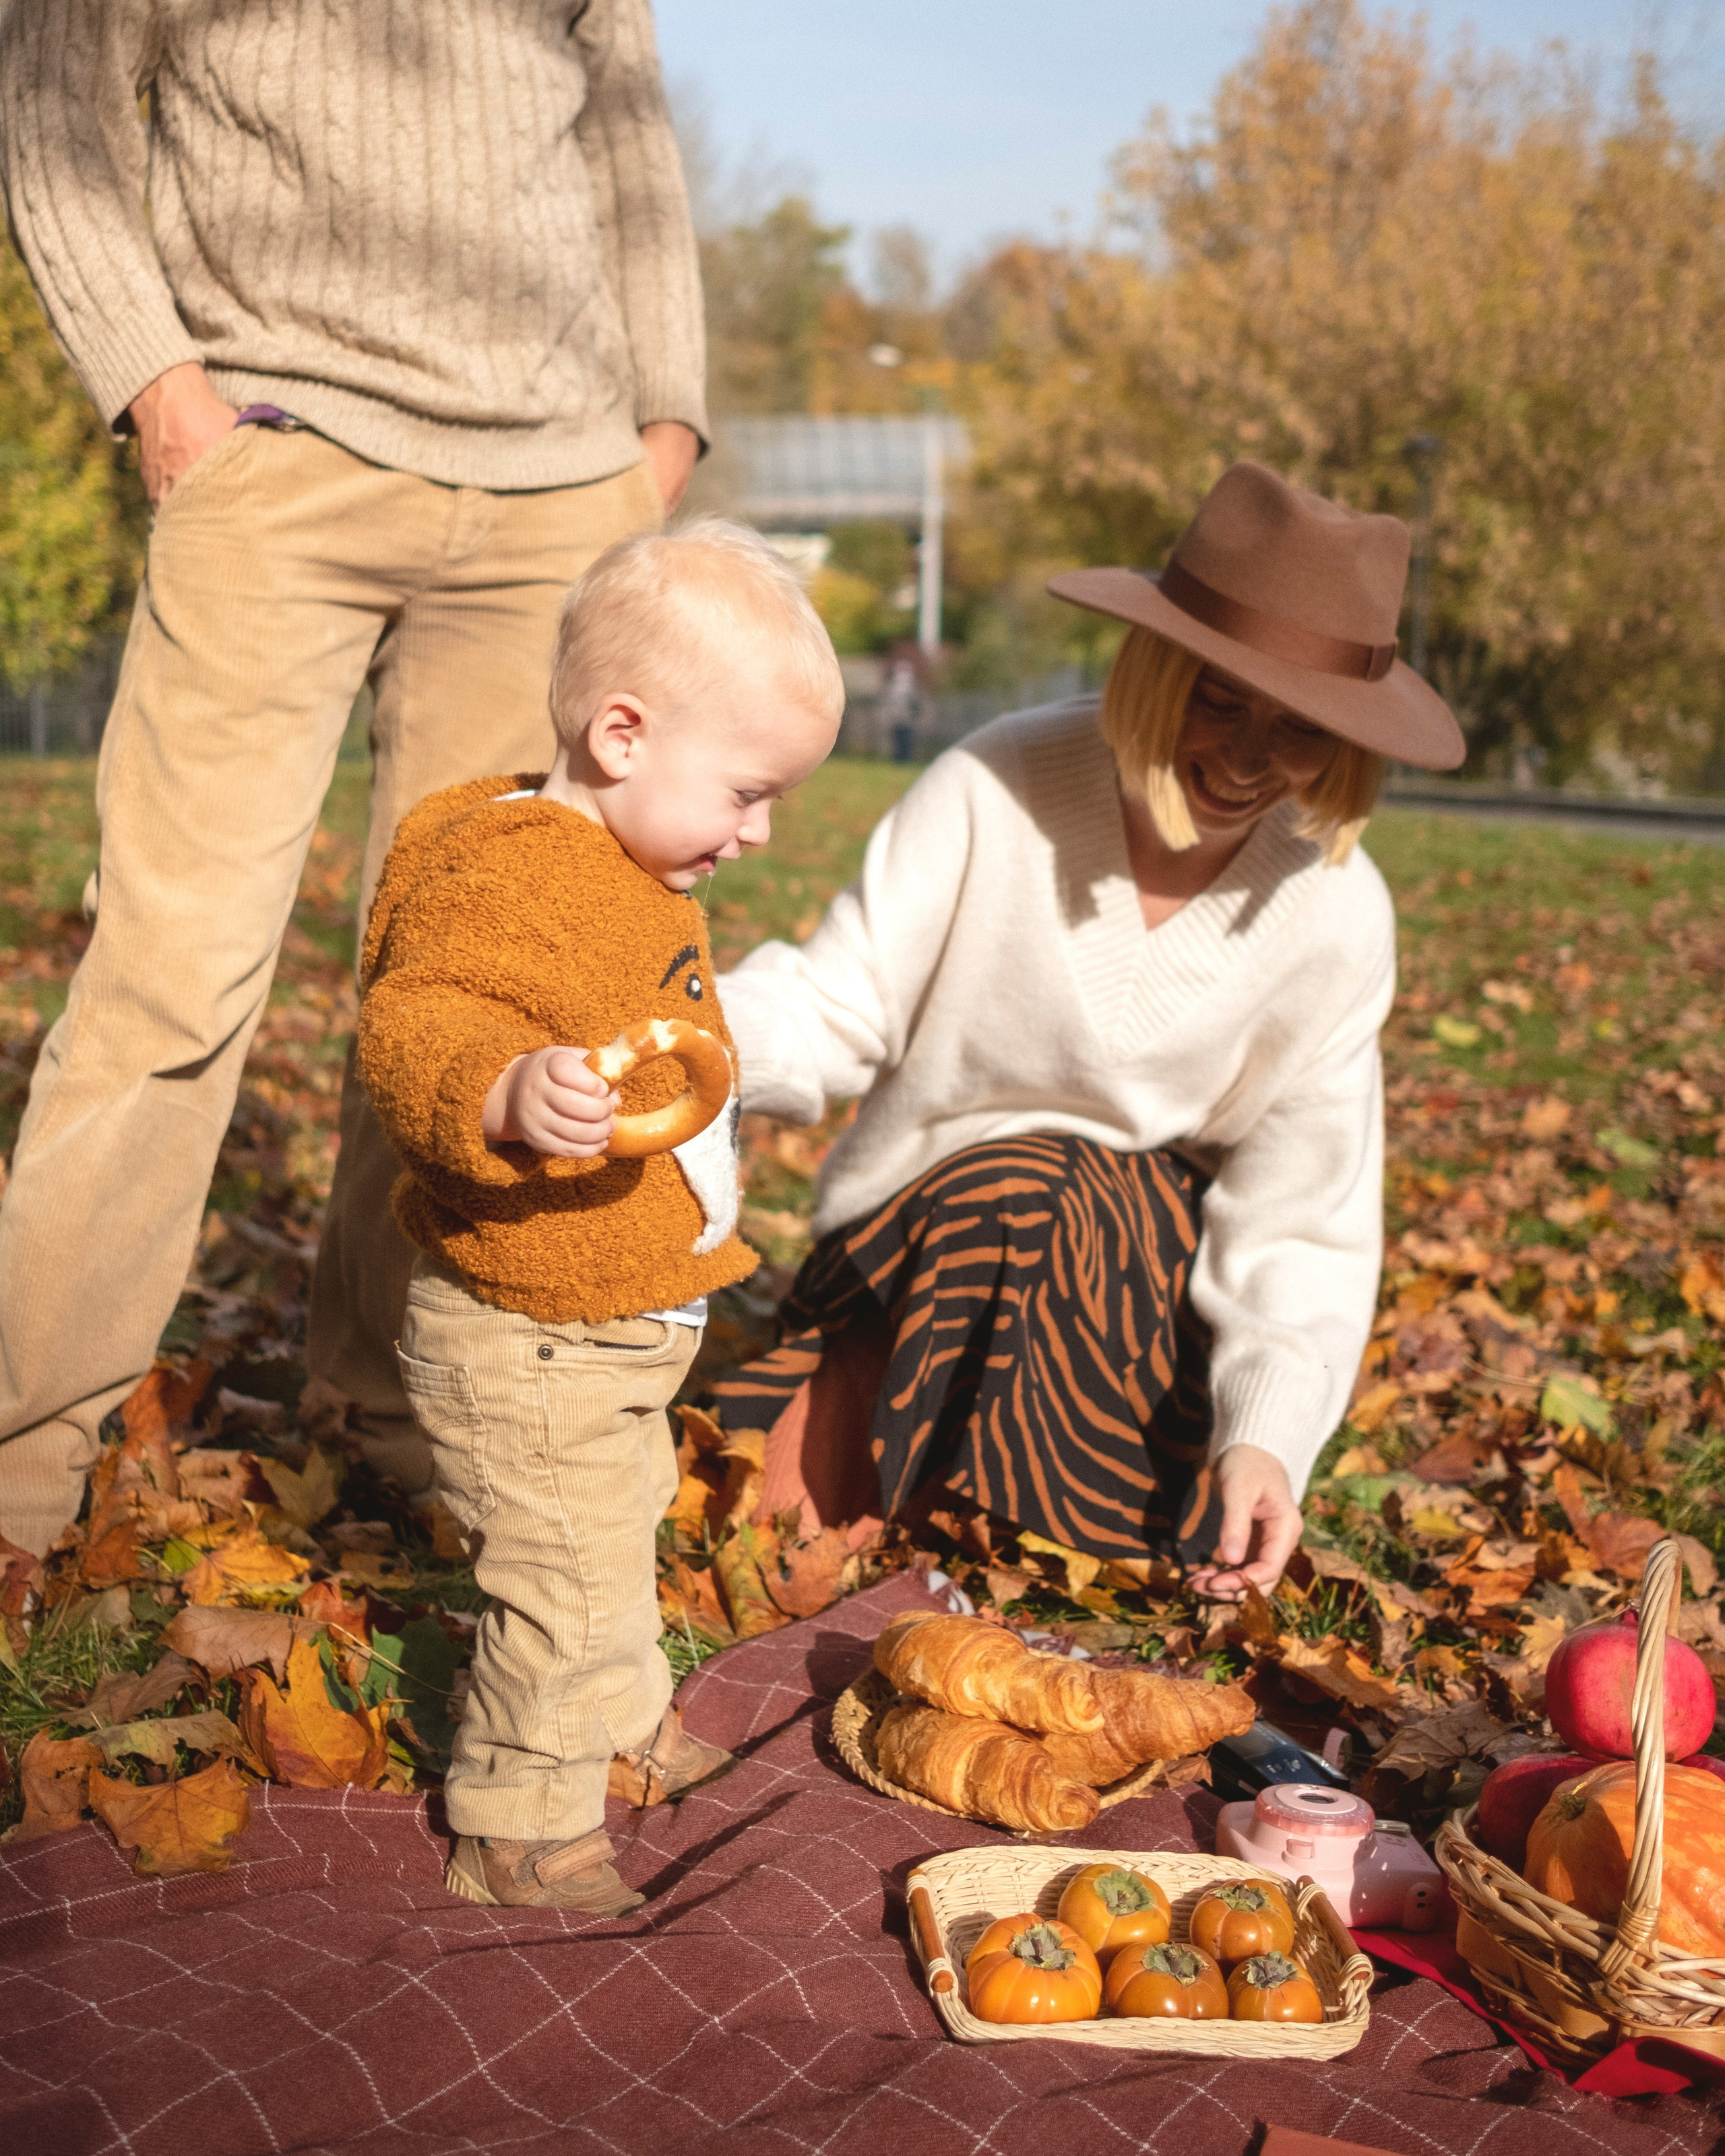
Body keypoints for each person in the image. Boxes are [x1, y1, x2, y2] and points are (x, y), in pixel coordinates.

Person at [0, 0, 708, 1556]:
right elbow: (51, 109)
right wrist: (157, 386)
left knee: (471, 986)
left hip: (553, 491)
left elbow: (631, 141)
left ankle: (391, 1406)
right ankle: (21, 1458)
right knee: (170, 977)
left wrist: (662, 432)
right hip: (276, 447)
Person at [710, 462, 1466, 1601]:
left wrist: (1263, 1437)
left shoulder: (1339, 912)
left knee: (1062, 1189)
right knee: (1012, 1198)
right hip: (914, 1245)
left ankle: (998, 1539)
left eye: (1301, 728)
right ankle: (938, 1512)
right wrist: (683, 1033)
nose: (1248, 760)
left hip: (1124, 1321)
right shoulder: (997, 784)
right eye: (1219, 699)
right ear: (1154, 666)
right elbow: (837, 1001)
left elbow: (1303, 1219)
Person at [359, 521, 842, 1910]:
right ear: (622, 735)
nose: (759, 832)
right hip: (526, 1330)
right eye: (746, 794)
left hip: (611, 1315)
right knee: (559, 1577)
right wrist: (503, 1089)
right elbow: (417, 1019)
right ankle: (519, 1822)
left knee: (614, 1527)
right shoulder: (512, 869)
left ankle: (616, 1724)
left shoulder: (632, 856)